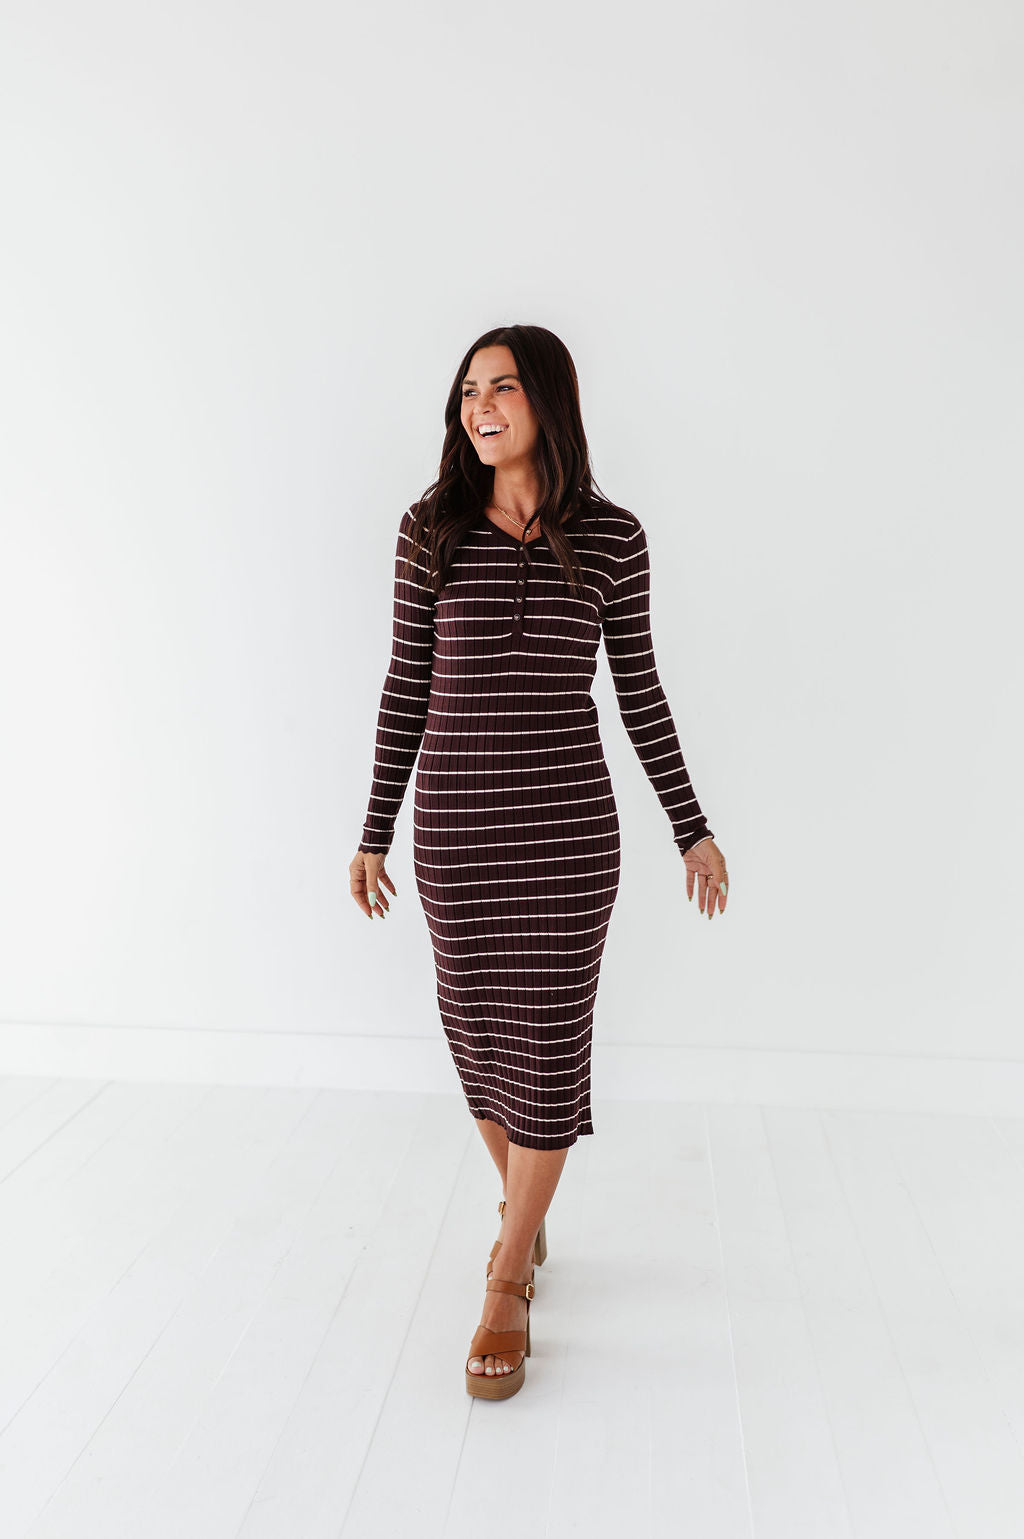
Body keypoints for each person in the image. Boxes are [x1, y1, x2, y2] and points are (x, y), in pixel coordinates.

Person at [350, 324, 729, 1399]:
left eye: (503, 387)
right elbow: (405, 683)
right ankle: (528, 1208)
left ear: (548, 401)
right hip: (457, 837)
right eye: (469, 390)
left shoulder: (612, 538)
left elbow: (639, 689)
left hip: (567, 837)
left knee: (550, 1050)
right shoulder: (430, 529)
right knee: (478, 1042)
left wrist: (690, 825)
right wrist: (374, 829)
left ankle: (508, 1271)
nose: (481, 406)